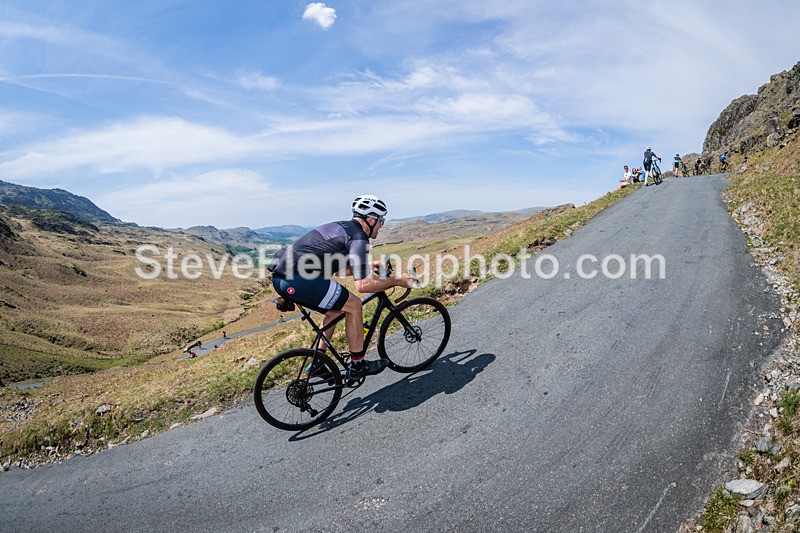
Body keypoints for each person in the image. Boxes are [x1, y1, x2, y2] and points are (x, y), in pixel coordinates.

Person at [268, 195, 416, 378]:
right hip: (297, 279)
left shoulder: (342, 227)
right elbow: (363, 285)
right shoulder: (359, 238)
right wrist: (399, 281)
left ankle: (318, 363)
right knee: (354, 305)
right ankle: (358, 365)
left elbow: (339, 270)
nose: (381, 226)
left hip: (281, 278)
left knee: (335, 311)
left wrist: (369, 265)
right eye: (381, 221)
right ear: (371, 220)